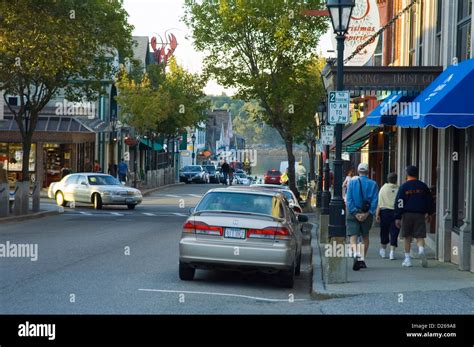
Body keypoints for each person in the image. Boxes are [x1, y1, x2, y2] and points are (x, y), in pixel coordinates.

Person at [394, 165, 435, 268]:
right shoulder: (423, 186)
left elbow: (399, 202)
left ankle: (407, 259)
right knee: (420, 236)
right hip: (420, 214)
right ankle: (421, 250)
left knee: (407, 237)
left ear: (407, 174)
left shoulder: (403, 187)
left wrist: (397, 216)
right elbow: (429, 201)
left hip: (406, 214)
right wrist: (430, 213)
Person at [346, 163, 379, 271]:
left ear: (358, 171)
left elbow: (349, 199)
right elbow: (375, 201)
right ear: (368, 172)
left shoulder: (352, 183)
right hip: (366, 214)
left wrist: (355, 213)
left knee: (353, 236)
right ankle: (361, 259)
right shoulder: (373, 184)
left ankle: (355, 253)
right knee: (365, 236)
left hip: (353, 213)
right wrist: (368, 213)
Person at [376, 172, 400, 260]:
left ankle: (383, 249)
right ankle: (392, 252)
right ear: (396, 179)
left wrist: (377, 214)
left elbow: (379, 202)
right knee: (395, 231)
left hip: (384, 212)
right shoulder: (399, 189)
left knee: (384, 231)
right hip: (396, 212)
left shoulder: (383, 189)